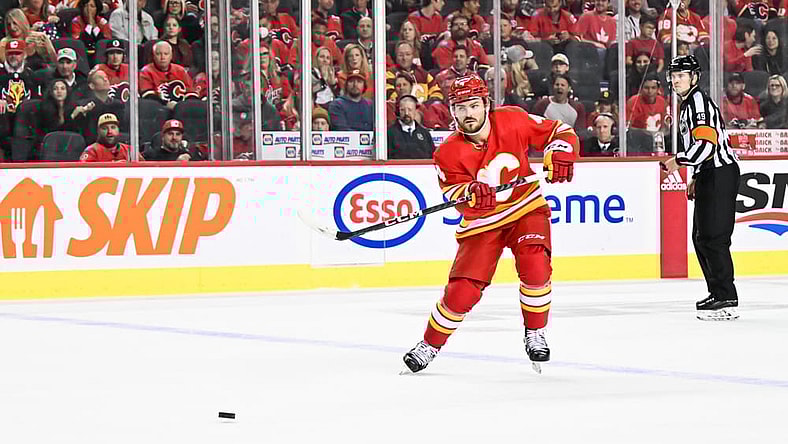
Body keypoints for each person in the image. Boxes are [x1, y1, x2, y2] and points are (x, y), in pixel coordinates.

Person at [402, 74, 579, 374]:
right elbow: (458, 198)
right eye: (461, 107)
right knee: (462, 292)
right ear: (452, 111)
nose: (468, 113)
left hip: (525, 209)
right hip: (483, 224)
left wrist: (560, 151)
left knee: (535, 266)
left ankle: (535, 332)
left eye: (474, 105)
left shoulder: (513, 120)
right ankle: (429, 344)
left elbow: (560, 131)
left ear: (486, 104)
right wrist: (470, 194)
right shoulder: (446, 153)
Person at [661, 55, 740, 321]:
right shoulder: (687, 104)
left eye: (681, 75)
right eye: (673, 76)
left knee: (714, 238)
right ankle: (717, 292)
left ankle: (726, 297)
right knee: (701, 237)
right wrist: (695, 175)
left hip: (720, 172)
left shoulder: (697, 103)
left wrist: (678, 161)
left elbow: (707, 146)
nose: (676, 80)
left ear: (694, 77)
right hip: (708, 172)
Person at [387, 95, 435, 159]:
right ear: (398, 111)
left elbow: (432, 157)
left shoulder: (425, 133)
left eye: (410, 110)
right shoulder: (389, 133)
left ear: (415, 111)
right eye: (402, 110)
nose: (406, 113)